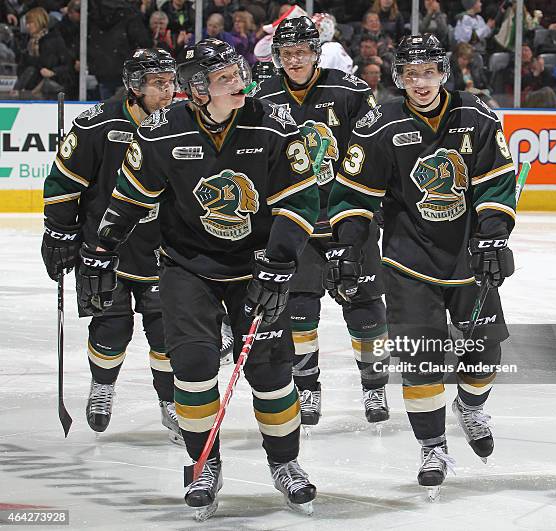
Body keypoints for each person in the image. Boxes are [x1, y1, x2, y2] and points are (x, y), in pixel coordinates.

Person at [77, 39, 319, 518]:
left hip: (256, 267)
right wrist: (102, 249)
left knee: (271, 374)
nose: (241, 84)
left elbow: (301, 200)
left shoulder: (273, 123)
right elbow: (130, 195)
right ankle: (202, 463)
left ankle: (286, 464)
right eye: (226, 78)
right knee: (191, 369)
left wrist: (279, 262)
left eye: (240, 73)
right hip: (189, 268)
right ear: (197, 89)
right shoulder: (163, 129)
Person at [326, 34, 516, 498]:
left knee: (485, 353)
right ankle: (432, 447)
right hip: (408, 261)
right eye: (410, 73)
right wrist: (348, 247)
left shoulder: (474, 113)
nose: (420, 81)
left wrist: (492, 235)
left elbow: (497, 180)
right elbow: (354, 193)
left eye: (428, 70)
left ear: (443, 71)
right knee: (420, 358)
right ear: (398, 77)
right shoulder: (380, 122)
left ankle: (471, 405)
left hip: (470, 256)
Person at [41, 49, 183, 443]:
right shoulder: (97, 124)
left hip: (162, 249)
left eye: (171, 82)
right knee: (112, 327)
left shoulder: (182, 124)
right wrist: (58, 231)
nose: (168, 91)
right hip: (105, 249)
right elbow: (63, 182)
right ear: (134, 87)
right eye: (158, 84)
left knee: (167, 332)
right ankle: (103, 384)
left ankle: (170, 402)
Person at [256, 16, 390, 428]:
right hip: (295, 222)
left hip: (347, 218)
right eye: (286, 53)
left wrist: (372, 209)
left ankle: (374, 383)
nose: (293, 60)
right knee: (298, 308)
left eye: (301, 52)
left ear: (317, 52)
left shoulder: (348, 91)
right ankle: (307, 387)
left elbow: (373, 149)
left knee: (364, 306)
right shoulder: (262, 95)